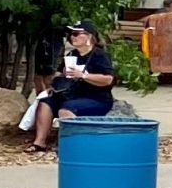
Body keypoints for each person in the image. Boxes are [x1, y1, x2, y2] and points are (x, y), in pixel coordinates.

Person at [29, 22, 117, 150]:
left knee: (66, 109)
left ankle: (71, 145)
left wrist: (83, 76)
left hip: (97, 98)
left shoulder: (99, 55)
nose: (72, 37)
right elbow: (57, 75)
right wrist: (61, 75)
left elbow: (108, 79)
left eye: (76, 34)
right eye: (70, 34)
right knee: (46, 103)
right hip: (72, 95)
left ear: (88, 36)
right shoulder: (71, 55)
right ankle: (39, 142)